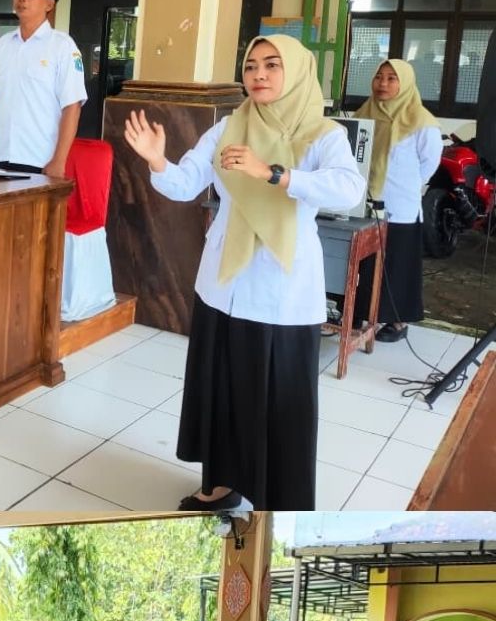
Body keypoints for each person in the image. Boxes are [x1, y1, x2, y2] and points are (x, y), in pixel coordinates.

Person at [125, 35, 367, 512]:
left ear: (295, 72)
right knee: (221, 391)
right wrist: (157, 160)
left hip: (281, 290)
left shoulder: (323, 134)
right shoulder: (228, 126)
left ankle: (277, 504)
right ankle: (220, 484)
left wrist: (275, 173)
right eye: (251, 65)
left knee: (278, 402)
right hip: (223, 285)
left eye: (272, 65)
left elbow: (348, 189)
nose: (258, 74)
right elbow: (186, 183)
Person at [355, 59, 443, 342]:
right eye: (379, 77)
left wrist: (404, 186)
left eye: (391, 78)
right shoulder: (365, 113)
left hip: (400, 207)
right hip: (364, 204)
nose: (383, 83)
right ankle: (359, 314)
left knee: (397, 266)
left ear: (404, 83)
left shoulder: (422, 122)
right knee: (364, 264)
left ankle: (397, 322)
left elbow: (429, 165)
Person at [0, 0, 86, 176]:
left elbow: (72, 106)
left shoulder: (62, 46)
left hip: (40, 160)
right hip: (1, 157)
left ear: (49, 4)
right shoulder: (1, 46)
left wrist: (59, 160)